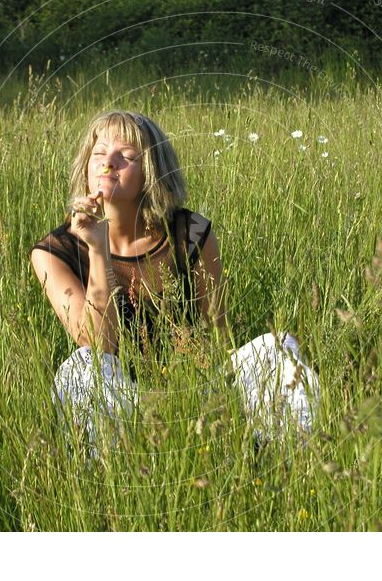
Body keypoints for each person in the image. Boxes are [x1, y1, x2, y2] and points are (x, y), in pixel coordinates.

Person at [27, 110, 318, 450]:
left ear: (151, 170)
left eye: (126, 155)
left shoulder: (190, 233)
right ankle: (112, 472)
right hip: (120, 402)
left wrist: (181, 398)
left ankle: (286, 456)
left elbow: (215, 336)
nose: (109, 162)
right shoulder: (53, 252)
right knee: (79, 370)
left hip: (192, 391)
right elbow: (97, 347)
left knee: (275, 347)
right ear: (86, 167)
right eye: (99, 153)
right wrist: (97, 246)